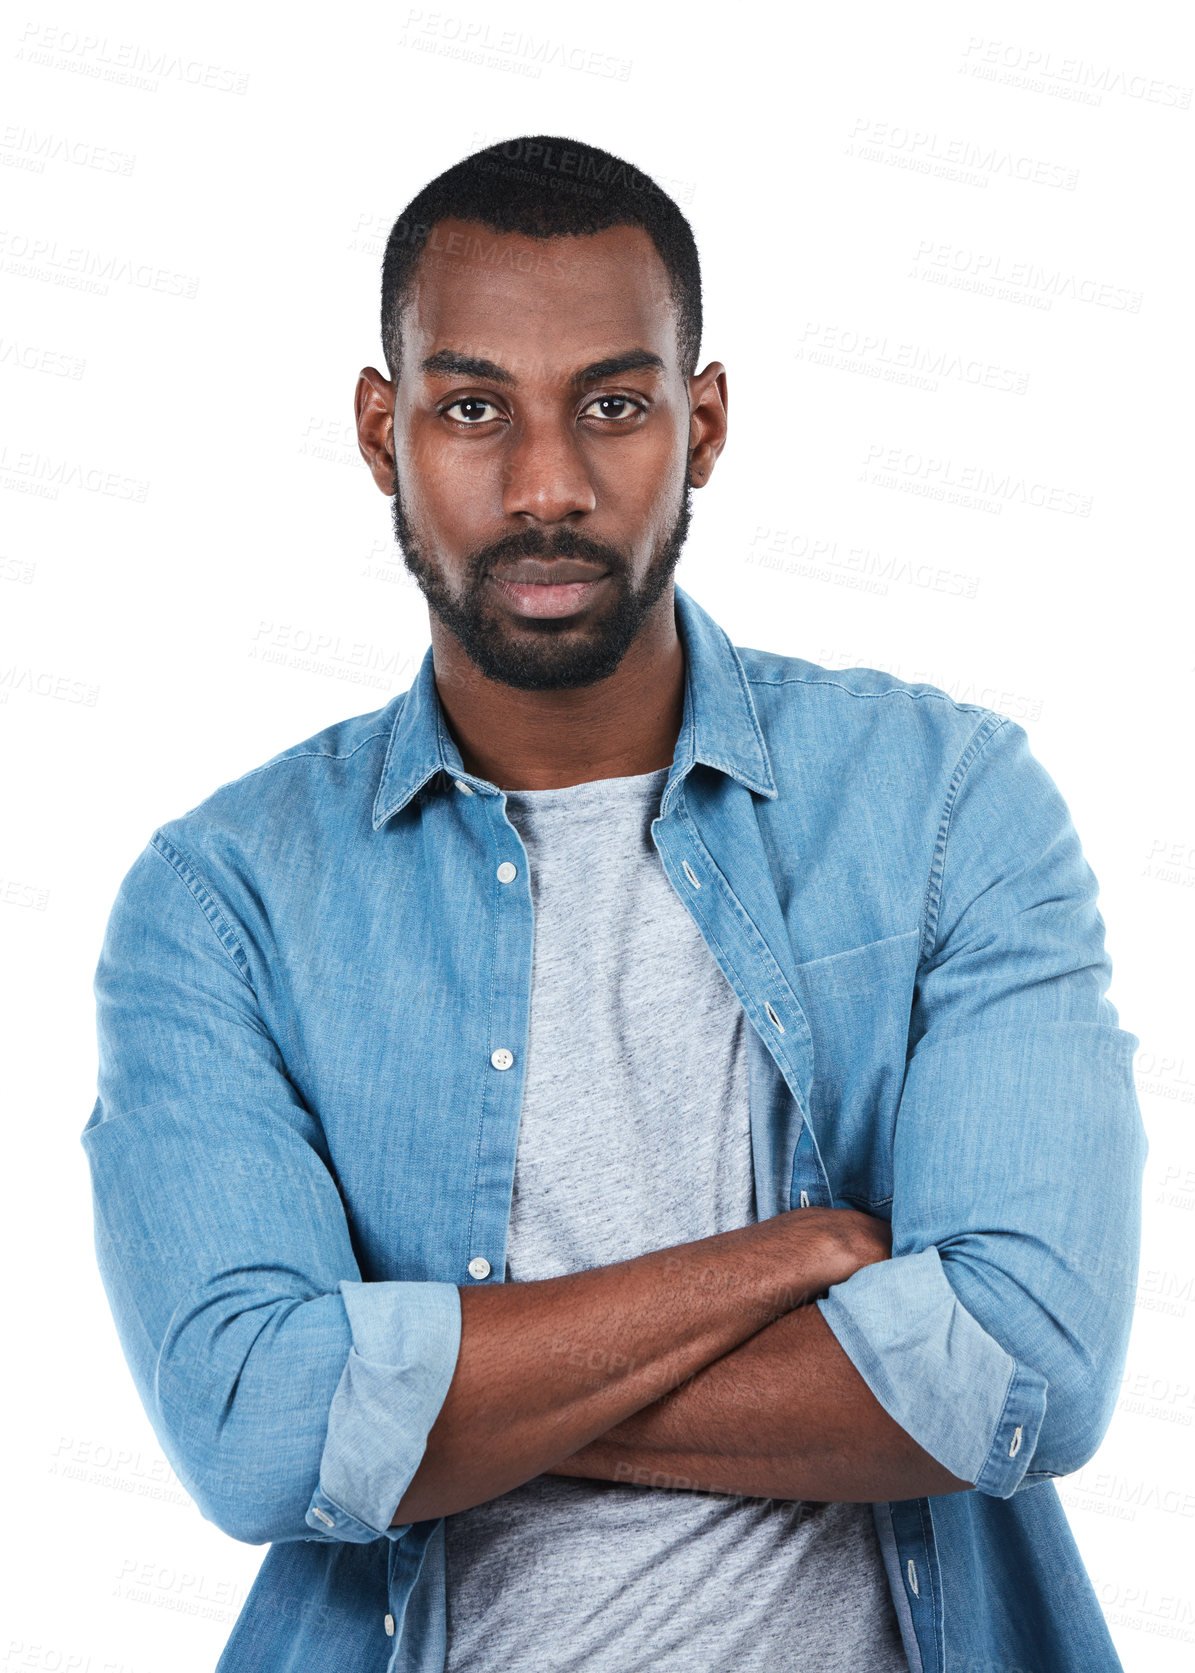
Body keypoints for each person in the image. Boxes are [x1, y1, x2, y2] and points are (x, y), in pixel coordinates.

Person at [83, 134, 1147, 1673]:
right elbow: (259, 1429)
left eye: (613, 403)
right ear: (381, 430)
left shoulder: (946, 803)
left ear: (702, 422)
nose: (547, 485)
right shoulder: (226, 900)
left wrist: (441, 1405)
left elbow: (1023, 1372)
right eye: (471, 408)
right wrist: (777, 1259)